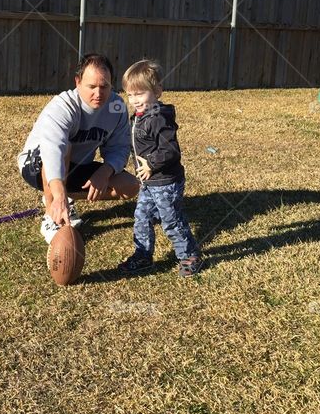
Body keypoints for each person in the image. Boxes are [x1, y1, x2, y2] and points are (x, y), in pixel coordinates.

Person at [18, 54, 140, 243]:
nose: (98, 93)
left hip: (77, 166)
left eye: (104, 86)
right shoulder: (63, 106)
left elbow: (120, 148)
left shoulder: (116, 107)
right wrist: (58, 194)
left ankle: (62, 197)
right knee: (64, 147)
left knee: (130, 186)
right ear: (78, 82)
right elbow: (52, 150)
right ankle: (52, 215)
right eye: (91, 86)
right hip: (37, 165)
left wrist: (105, 172)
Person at [117, 60, 202, 277]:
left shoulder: (158, 118)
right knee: (142, 217)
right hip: (148, 182)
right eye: (130, 95)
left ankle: (189, 255)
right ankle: (143, 255)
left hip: (166, 182)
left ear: (157, 92)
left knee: (171, 220)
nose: (134, 100)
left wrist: (151, 164)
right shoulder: (140, 116)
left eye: (140, 94)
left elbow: (171, 150)